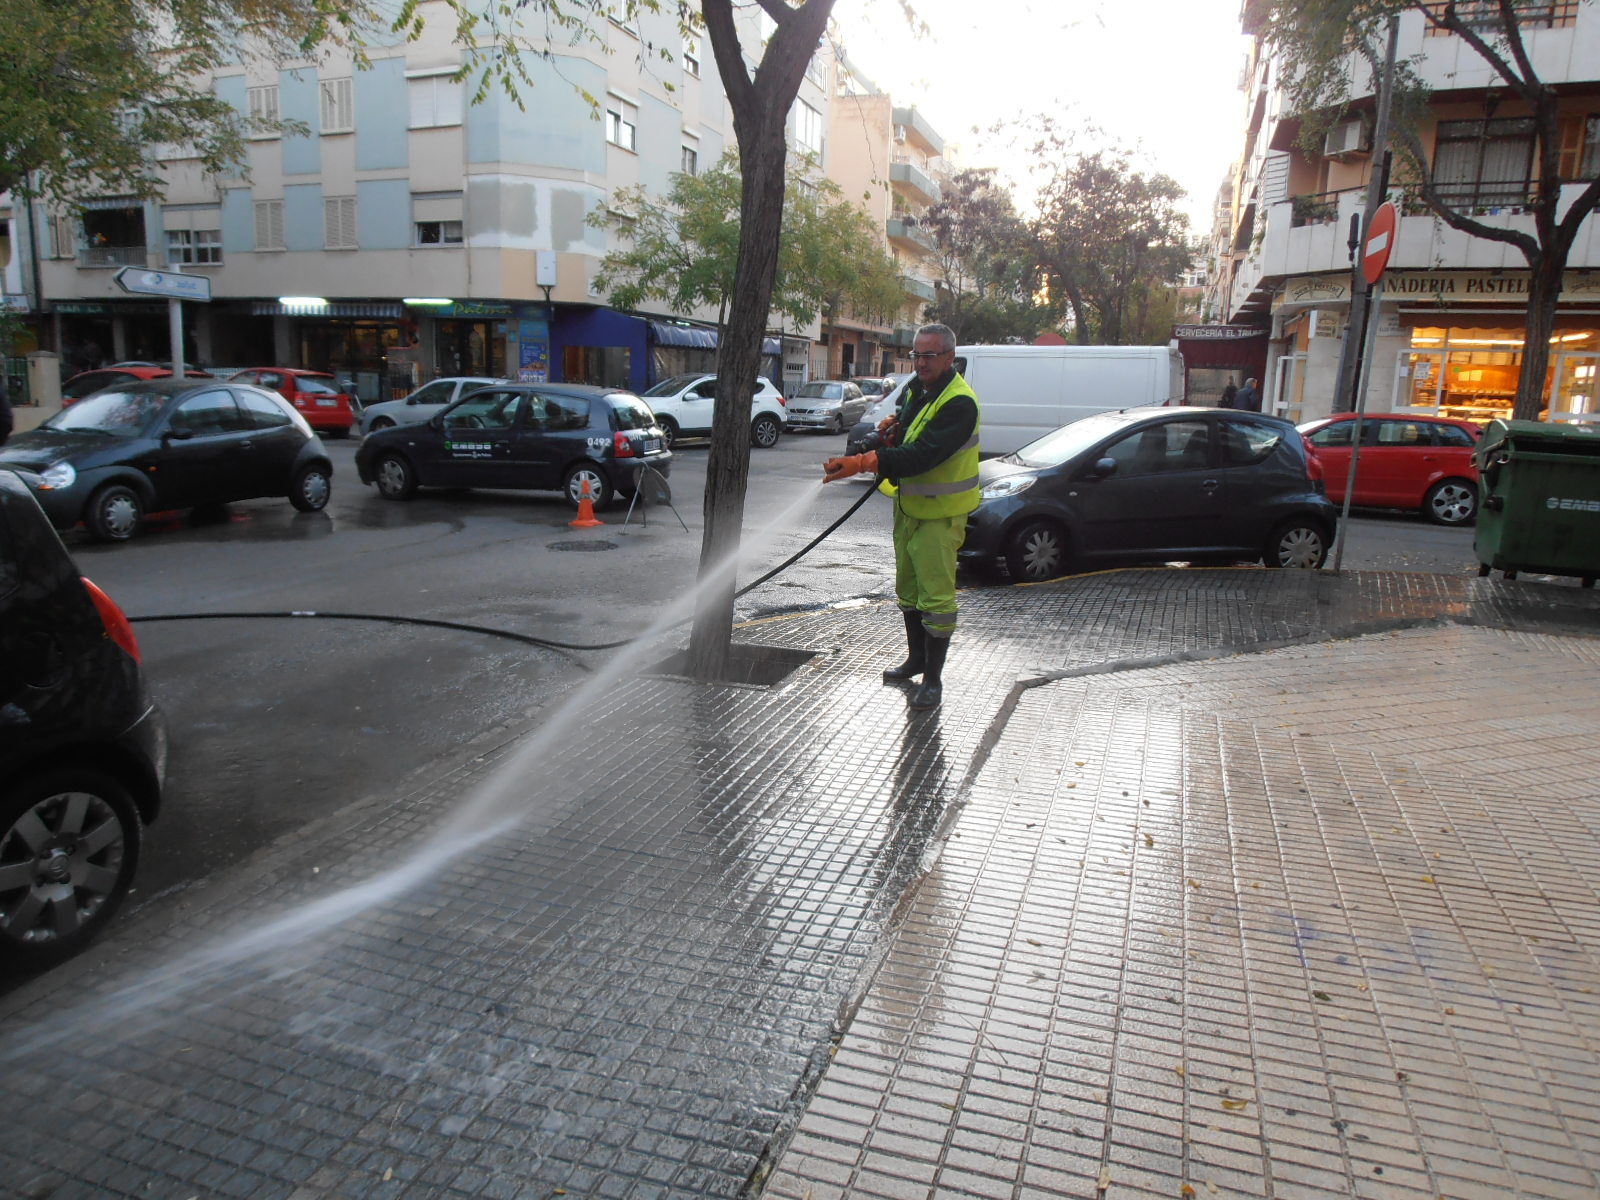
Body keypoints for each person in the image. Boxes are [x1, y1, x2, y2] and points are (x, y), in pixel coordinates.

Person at [821, 323, 980, 711]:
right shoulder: (917, 389)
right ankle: (916, 660)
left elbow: (923, 455)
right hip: (909, 507)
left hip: (940, 517)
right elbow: (902, 432)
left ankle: (934, 680)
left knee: (937, 601)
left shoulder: (960, 403)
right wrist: (878, 438)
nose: (920, 362)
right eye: (916, 354)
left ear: (948, 357)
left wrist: (863, 461)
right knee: (908, 591)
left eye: (929, 355)